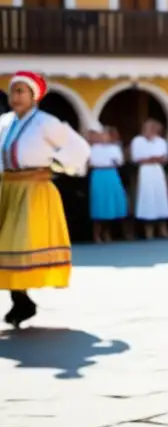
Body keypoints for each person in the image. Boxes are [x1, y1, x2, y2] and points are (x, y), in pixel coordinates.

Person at [0, 72, 90, 328]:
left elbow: (79, 148)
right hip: (7, 188)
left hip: (34, 190)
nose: (15, 96)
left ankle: (21, 299)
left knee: (17, 243)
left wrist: (56, 166)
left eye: (21, 91)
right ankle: (21, 299)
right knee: (5, 245)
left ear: (33, 96)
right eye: (12, 91)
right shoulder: (4, 122)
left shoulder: (45, 122)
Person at [130, 119, 168, 239]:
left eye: (155, 128)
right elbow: (136, 158)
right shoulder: (137, 141)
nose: (153, 130)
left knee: (161, 197)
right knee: (147, 197)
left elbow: (165, 158)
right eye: (150, 128)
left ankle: (163, 229)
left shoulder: (161, 141)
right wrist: (151, 159)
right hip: (145, 171)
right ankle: (149, 232)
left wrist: (157, 159)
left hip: (158, 171)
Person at [88, 127, 129, 243]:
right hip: (99, 175)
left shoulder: (114, 148)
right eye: (101, 135)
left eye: (106, 135)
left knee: (111, 203)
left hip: (111, 174)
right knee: (99, 203)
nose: (103, 138)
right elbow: (91, 162)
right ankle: (96, 235)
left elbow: (119, 161)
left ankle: (108, 234)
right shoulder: (93, 148)